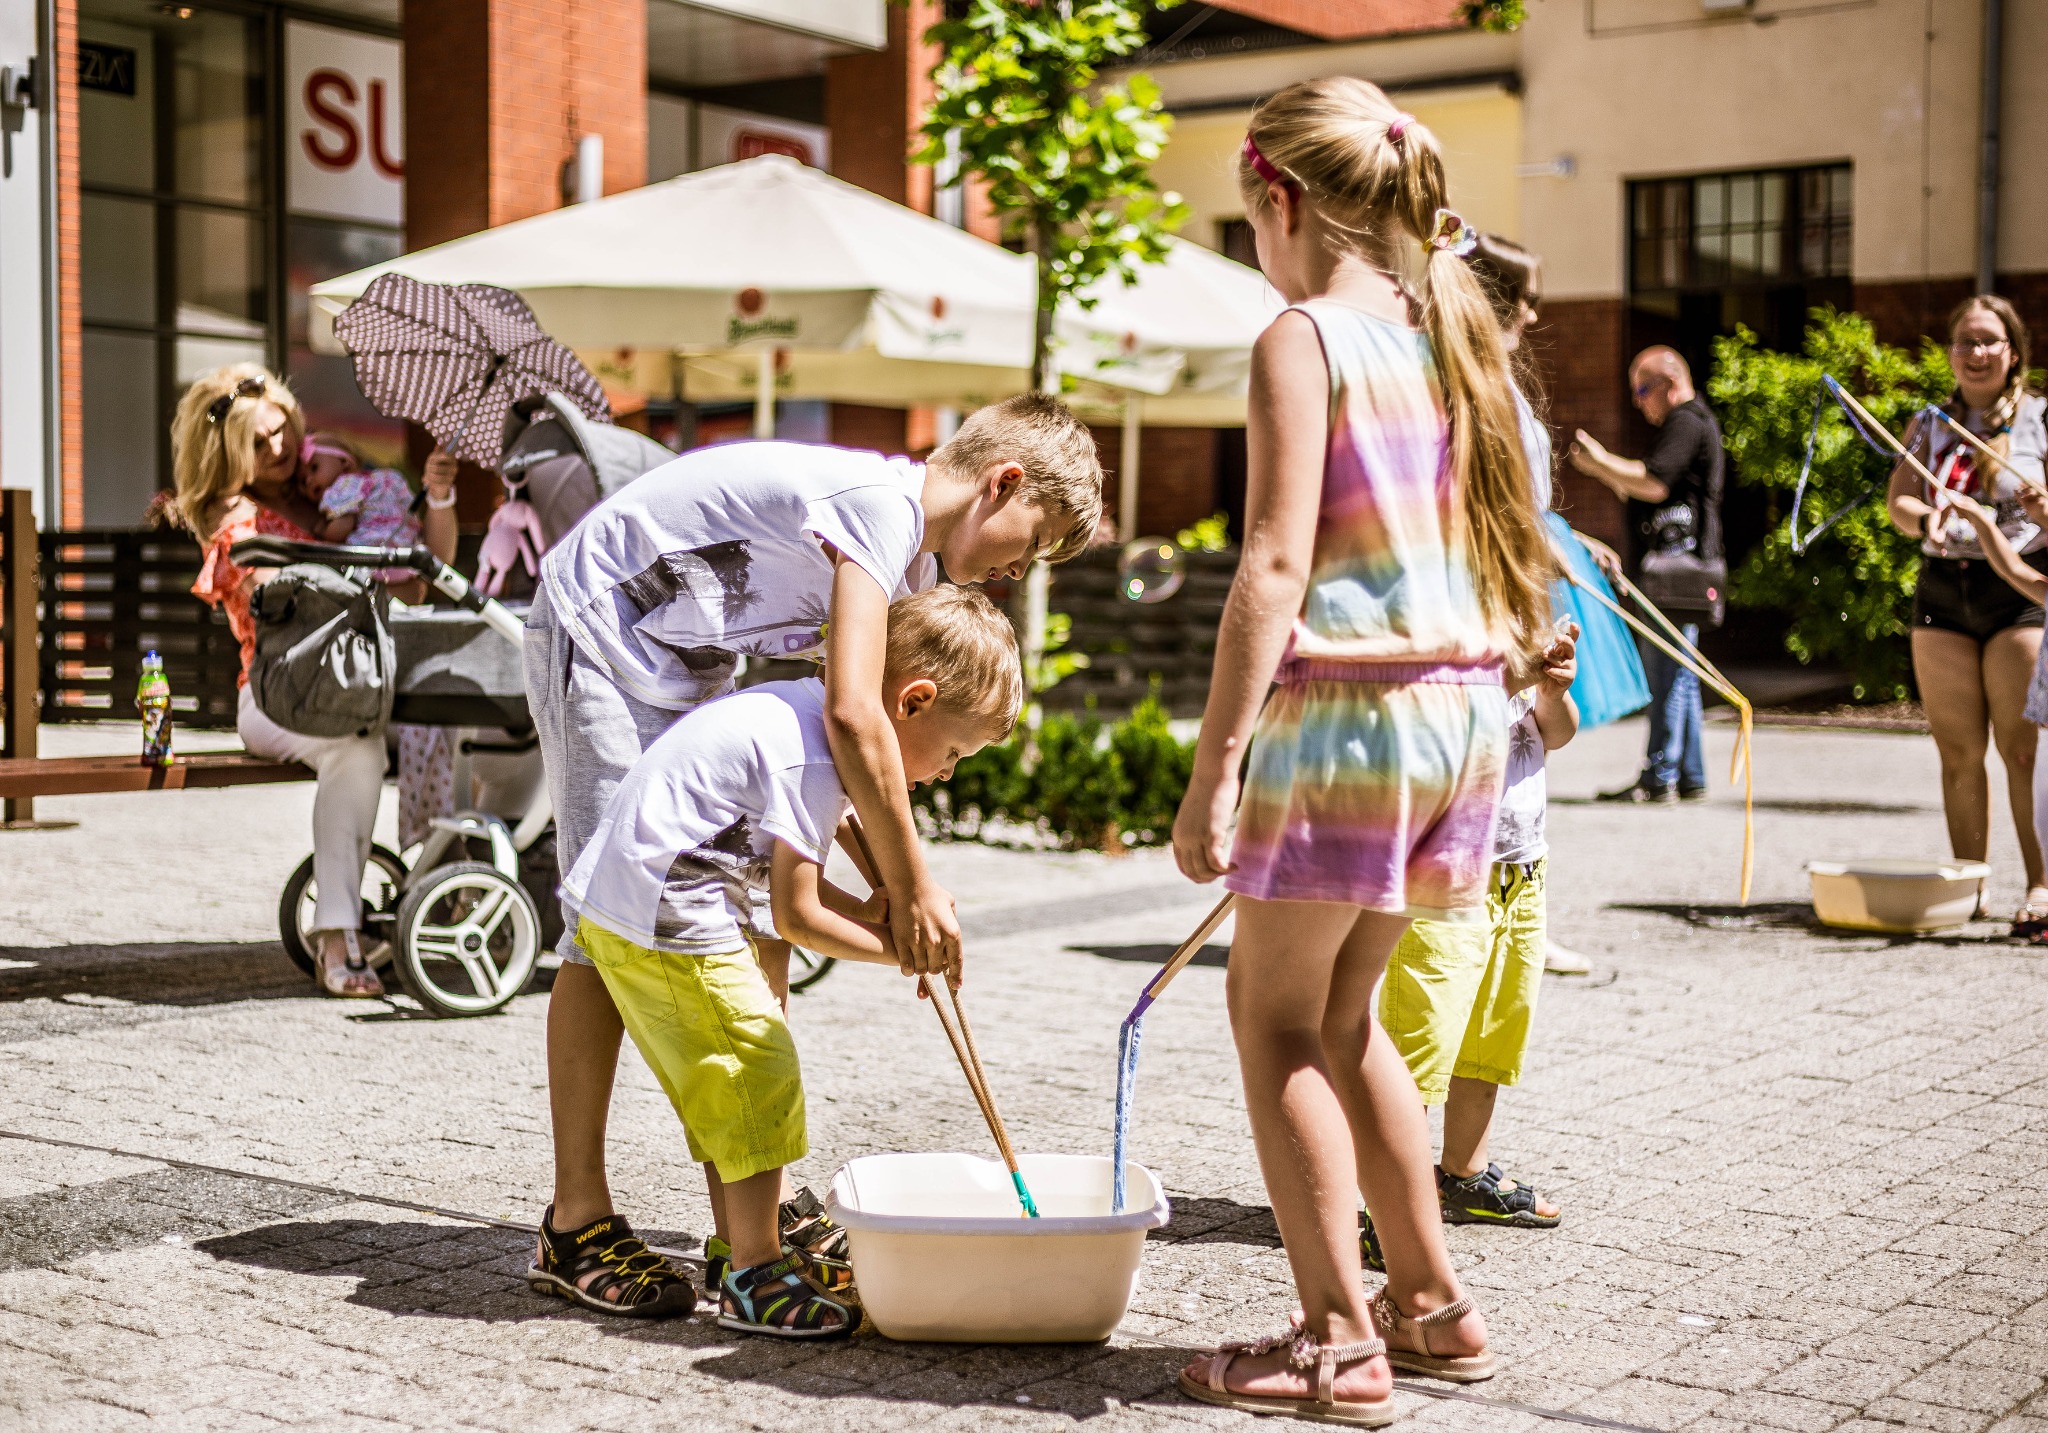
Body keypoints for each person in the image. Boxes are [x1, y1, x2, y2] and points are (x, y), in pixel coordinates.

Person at [526, 394, 1103, 1317]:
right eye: (1028, 545)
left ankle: (747, 1217)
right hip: (603, 632)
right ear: (1004, 483)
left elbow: (849, 750)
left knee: (754, 915)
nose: (1013, 571)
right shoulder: (881, 507)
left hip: (684, 663)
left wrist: (891, 895)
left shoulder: (913, 559)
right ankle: (576, 1219)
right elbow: (851, 713)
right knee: (606, 918)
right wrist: (908, 890)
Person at [1170, 79, 1556, 1423]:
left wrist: (1212, 769)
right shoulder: (1455, 332)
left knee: (1273, 1017)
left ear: (1276, 195)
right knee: (1346, 1018)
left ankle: (1338, 1340)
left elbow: (1273, 568)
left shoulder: (1302, 335)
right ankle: (1436, 1304)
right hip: (1459, 715)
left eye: (1246, 217)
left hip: (1346, 712)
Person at [554, 585, 1021, 1337]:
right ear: (913, 700)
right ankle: (754, 1273)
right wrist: (900, 951)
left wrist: (876, 909)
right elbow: (794, 912)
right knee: (755, 1064)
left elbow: (788, 866)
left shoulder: (810, 713)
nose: (947, 772)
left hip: (655, 894)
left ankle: (739, 1246)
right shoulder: (815, 748)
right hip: (662, 903)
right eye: (955, 750)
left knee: (733, 1073)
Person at [169, 365, 458, 997]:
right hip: (279, 690)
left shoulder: (335, 484)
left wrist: (435, 496)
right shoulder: (236, 516)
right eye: (257, 443)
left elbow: (429, 571)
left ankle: (455, 880)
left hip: (365, 675)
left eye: (280, 433)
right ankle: (336, 936)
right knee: (355, 744)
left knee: (464, 715)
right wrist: (358, 572)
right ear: (228, 454)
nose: (278, 450)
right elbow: (267, 589)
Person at [1368, 625, 1578, 1267]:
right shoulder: (1445, 632)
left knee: (1492, 1034)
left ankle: (1463, 1174)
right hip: (1447, 873)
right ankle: (1388, 1205)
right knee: (1421, 1046)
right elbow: (1438, 727)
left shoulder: (1519, 631)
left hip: (1521, 872)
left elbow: (1556, 733)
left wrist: (1551, 691)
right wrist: (1513, 671)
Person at [1885, 296, 2048, 933]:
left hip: (2016, 595)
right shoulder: (1929, 424)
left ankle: (2040, 883)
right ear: (1951, 352)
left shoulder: (2039, 420)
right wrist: (1930, 517)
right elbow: (1900, 502)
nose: (1976, 354)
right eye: (1965, 343)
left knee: (2020, 749)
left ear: (2012, 352)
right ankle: (1970, 884)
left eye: (1989, 342)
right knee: (1957, 753)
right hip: (1942, 593)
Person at [1567, 347, 1725, 804]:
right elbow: (1646, 486)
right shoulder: (1696, 423)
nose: (1639, 402)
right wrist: (1602, 470)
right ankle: (1688, 773)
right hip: (1687, 568)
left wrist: (1598, 460)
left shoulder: (1687, 421)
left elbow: (1654, 481)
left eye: (1642, 389)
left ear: (1670, 383)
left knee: (1666, 669)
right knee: (1681, 669)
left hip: (1679, 570)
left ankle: (1660, 774)